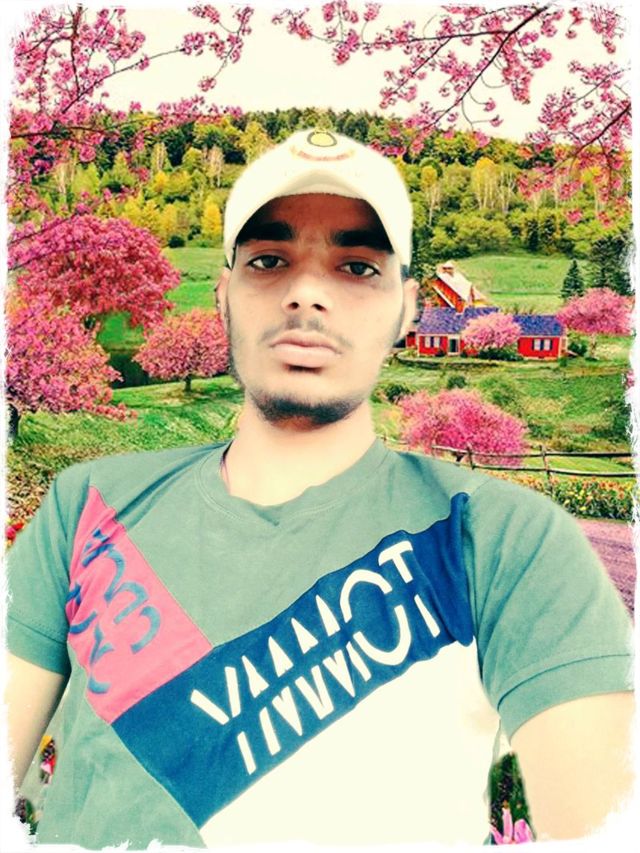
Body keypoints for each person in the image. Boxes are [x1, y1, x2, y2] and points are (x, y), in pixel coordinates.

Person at [5, 129, 635, 849]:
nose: (306, 292)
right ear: (224, 296)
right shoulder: (88, 506)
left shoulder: (502, 539)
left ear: (407, 310)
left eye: (357, 267)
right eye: (269, 261)